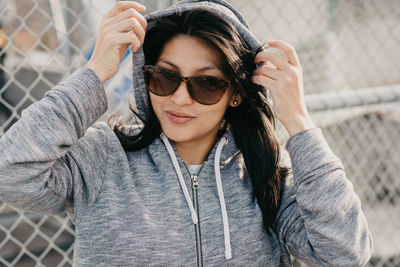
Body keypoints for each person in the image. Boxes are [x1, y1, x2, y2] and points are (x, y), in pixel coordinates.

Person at [0, 0, 372, 266]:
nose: (179, 98)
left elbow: (344, 254)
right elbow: (10, 171)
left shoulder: (267, 175)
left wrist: (300, 122)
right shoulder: (102, 156)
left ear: (236, 94)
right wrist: (95, 72)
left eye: (206, 84)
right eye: (164, 77)